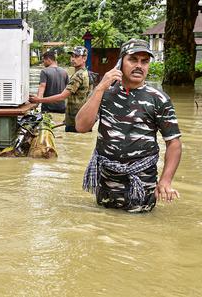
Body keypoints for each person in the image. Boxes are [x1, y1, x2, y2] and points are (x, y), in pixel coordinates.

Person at [75, 39, 182, 213]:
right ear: (120, 63)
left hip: (141, 182)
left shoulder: (158, 99)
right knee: (103, 227)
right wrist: (101, 87)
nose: (139, 65)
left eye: (144, 61)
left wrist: (165, 181)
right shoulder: (105, 93)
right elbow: (81, 126)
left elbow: (174, 143)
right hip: (106, 181)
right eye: (133, 59)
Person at [29, 46, 91, 132]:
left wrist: (38, 100)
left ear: (84, 59)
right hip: (77, 118)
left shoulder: (78, 75)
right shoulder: (85, 73)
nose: (73, 59)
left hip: (74, 121)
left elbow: (63, 96)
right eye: (72, 56)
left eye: (76, 56)